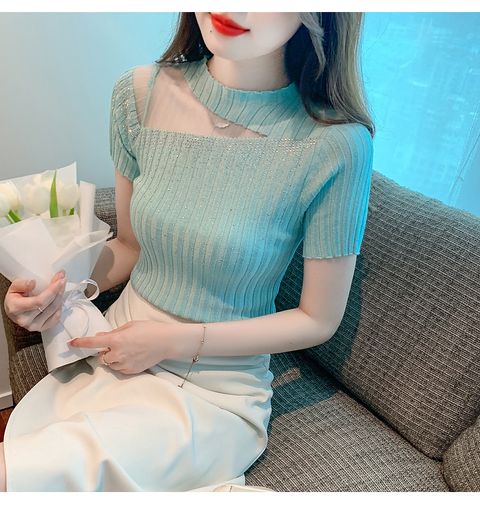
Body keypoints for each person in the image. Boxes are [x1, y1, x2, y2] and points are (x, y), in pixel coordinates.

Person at [1, 12, 374, 492]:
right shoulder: (139, 94)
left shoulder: (336, 145)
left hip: (213, 391)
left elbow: (317, 320)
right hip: (113, 348)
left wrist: (171, 341)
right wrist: (50, 288)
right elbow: (130, 247)